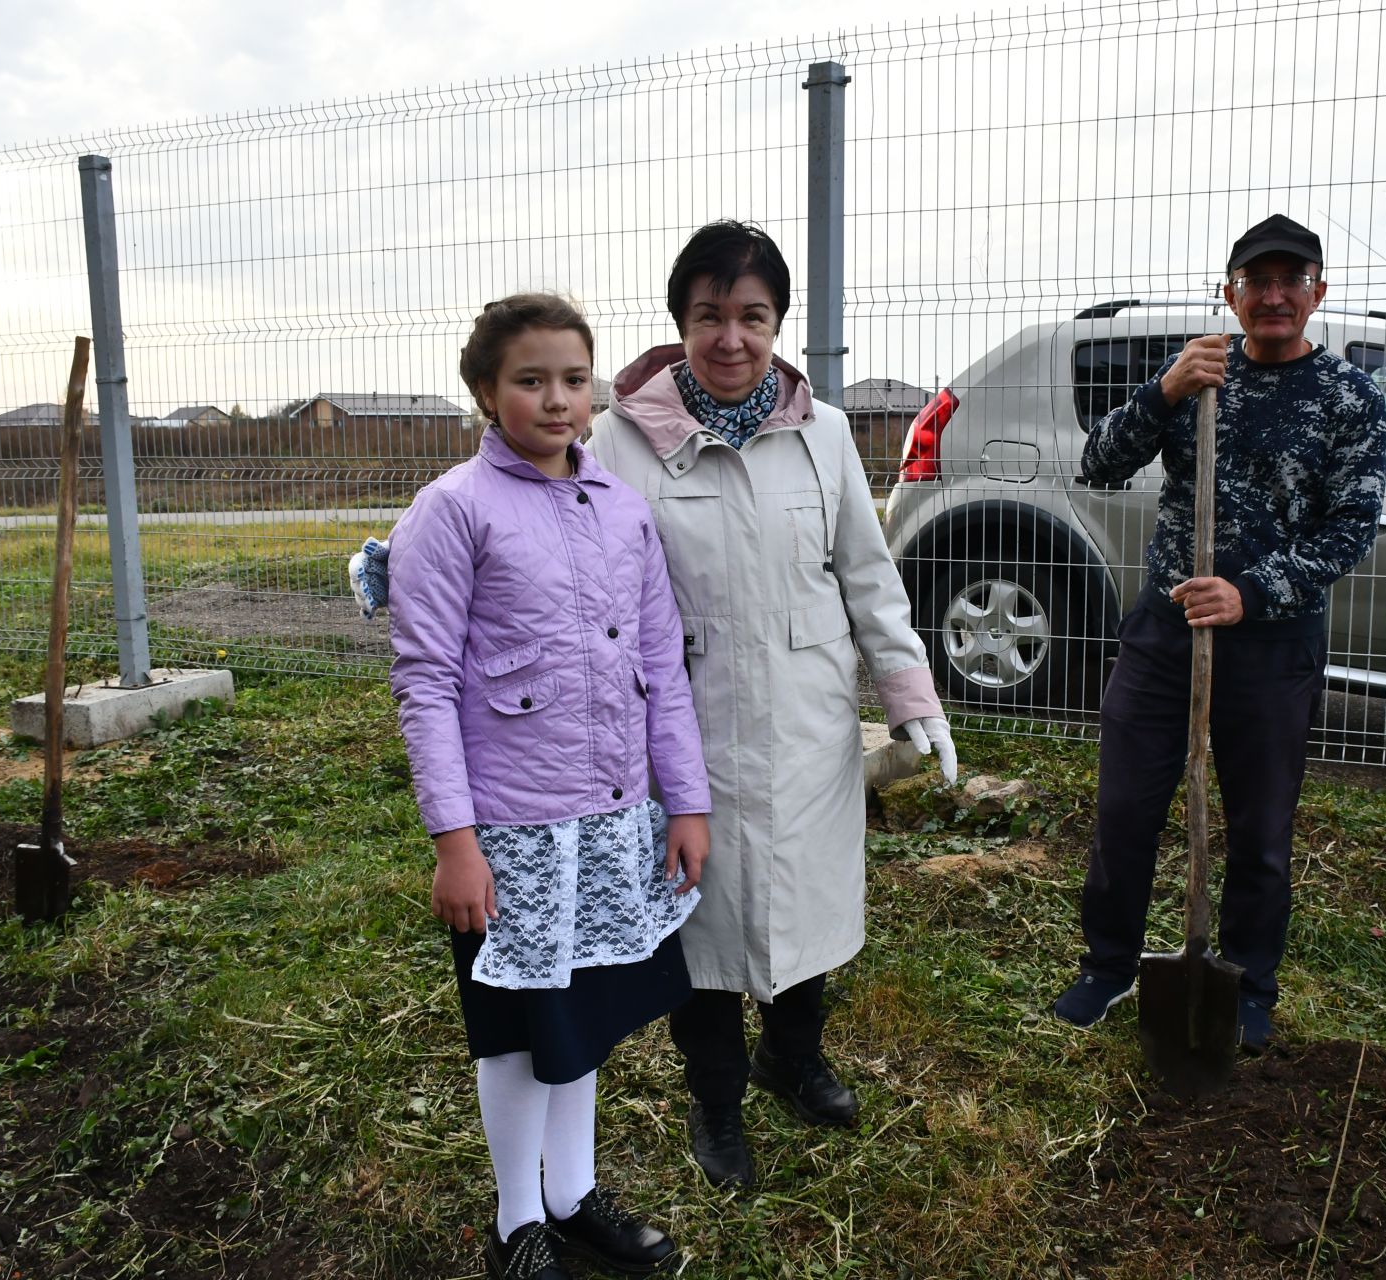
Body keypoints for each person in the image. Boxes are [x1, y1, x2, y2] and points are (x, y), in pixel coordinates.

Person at [588, 220, 959, 1189]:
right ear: (680, 322)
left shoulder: (823, 432)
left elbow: (869, 579)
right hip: (685, 726)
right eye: (709, 314)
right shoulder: (619, 440)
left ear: (777, 323)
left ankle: (795, 1056)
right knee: (699, 928)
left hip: (806, 722)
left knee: (805, 904)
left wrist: (909, 692)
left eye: (752, 315)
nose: (731, 337)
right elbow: (565, 563)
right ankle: (717, 1105)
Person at [387, 294, 711, 1280]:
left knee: (586, 1020)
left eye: (575, 378)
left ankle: (573, 1195)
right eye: (530, 379)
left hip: (613, 823)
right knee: (518, 1032)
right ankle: (516, 1216)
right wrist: (455, 839)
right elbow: (426, 680)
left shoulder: (622, 507)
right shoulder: (453, 512)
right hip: (515, 833)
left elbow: (660, 657)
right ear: (486, 391)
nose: (557, 399)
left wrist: (684, 798)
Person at [1053, 215, 1386, 1052]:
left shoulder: (1350, 398)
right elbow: (1097, 464)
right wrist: (1161, 390)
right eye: (1256, 280)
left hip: (1273, 646)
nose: (1273, 295)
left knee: (1261, 828)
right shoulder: (1198, 376)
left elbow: (1352, 525)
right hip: (1165, 634)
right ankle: (1107, 967)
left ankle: (1247, 985)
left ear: (1318, 290)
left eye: (1291, 279)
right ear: (1230, 291)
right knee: (1126, 807)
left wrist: (1251, 592)